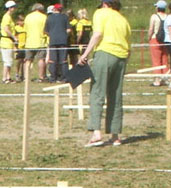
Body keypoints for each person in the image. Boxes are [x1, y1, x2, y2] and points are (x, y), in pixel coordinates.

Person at [78, 0, 131, 147]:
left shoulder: (100, 13)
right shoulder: (123, 19)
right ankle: (115, 136)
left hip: (104, 53)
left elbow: (97, 34)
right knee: (115, 95)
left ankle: (96, 133)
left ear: (104, 4)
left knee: (97, 93)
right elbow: (129, 45)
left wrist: (85, 54)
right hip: (121, 57)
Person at [44, 3, 71, 82]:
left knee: (53, 60)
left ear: (54, 9)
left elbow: (45, 31)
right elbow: (69, 30)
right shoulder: (65, 17)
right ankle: (64, 77)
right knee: (64, 60)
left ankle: (53, 78)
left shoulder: (49, 18)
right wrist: (65, 35)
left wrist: (52, 34)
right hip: (63, 41)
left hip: (53, 41)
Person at [24, 4, 48, 82]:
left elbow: (25, 29)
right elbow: (46, 30)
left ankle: (26, 77)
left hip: (29, 42)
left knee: (28, 60)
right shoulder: (44, 17)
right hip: (40, 42)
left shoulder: (28, 17)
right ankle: (41, 77)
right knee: (41, 60)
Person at [148, 1, 169, 86]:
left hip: (155, 39)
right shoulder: (168, 17)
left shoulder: (154, 16)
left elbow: (151, 29)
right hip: (165, 40)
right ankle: (166, 79)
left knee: (156, 60)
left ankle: (157, 80)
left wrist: (149, 37)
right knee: (165, 60)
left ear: (157, 8)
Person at [1, 1, 18, 84]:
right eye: (13, 7)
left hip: (9, 42)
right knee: (7, 61)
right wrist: (14, 37)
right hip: (6, 41)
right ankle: (4, 78)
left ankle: (8, 77)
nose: (14, 9)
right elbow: (6, 29)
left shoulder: (9, 17)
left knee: (9, 60)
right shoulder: (6, 17)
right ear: (10, 8)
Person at [15, 14, 27, 81]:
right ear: (18, 21)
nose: (22, 22)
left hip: (25, 47)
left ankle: (24, 75)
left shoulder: (25, 27)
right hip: (19, 47)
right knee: (19, 61)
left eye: (23, 21)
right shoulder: (16, 28)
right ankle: (17, 73)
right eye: (21, 21)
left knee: (25, 61)